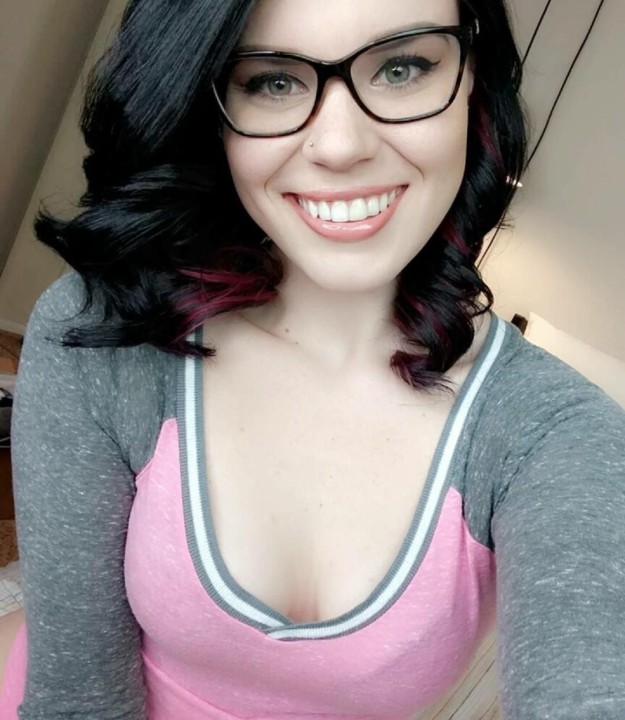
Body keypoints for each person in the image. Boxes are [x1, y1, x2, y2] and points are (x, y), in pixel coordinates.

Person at [1, 0, 624, 717]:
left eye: (402, 67)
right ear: (210, 108)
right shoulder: (104, 330)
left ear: (475, 83)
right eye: (271, 81)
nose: (339, 145)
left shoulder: (556, 436)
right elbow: (75, 698)